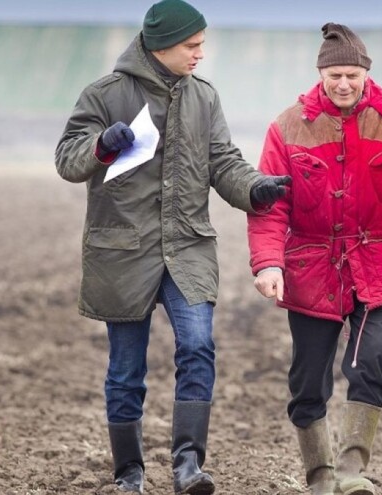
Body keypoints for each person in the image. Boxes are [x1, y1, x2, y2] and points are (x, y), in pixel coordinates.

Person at [55, 1, 290, 493]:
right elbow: (67, 160)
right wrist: (102, 144)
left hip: (187, 249)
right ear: (161, 46)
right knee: (126, 368)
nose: (201, 53)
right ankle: (129, 474)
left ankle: (188, 466)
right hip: (123, 253)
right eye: (192, 45)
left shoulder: (204, 98)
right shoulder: (104, 94)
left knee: (199, 347)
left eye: (202, 44)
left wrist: (253, 189)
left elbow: (223, 161)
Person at [247, 22, 382, 495]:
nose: (343, 84)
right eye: (335, 75)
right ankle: (320, 475)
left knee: (370, 358)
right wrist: (268, 263)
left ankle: (353, 469)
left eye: (352, 75)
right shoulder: (288, 126)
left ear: (364, 75)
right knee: (308, 380)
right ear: (321, 75)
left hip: (381, 263)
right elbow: (270, 206)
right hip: (313, 270)